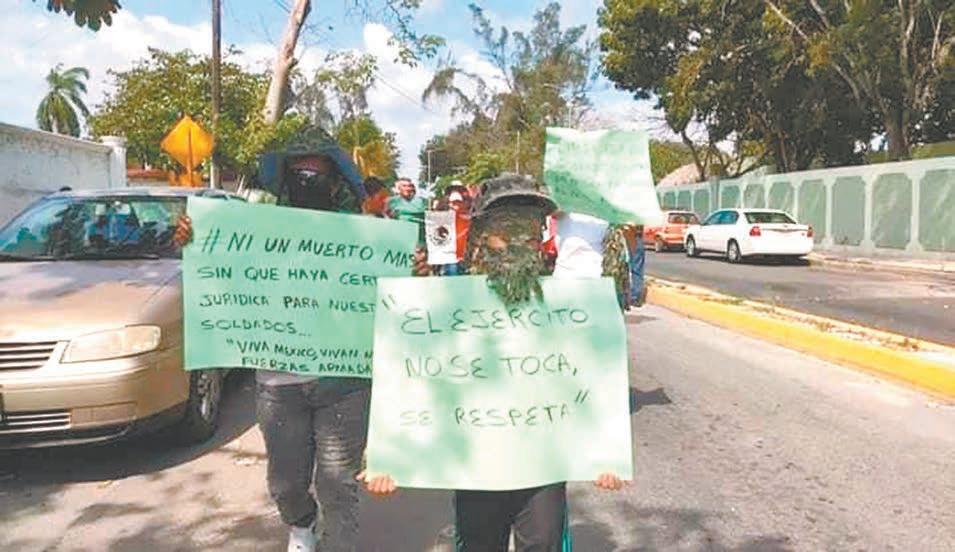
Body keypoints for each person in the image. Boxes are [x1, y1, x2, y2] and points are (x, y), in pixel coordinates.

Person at [363, 174, 627, 551]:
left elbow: (594, 375)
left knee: (545, 543)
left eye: (529, 234)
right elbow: (410, 372)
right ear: (483, 236)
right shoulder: (444, 303)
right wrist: (389, 455)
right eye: (505, 232)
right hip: (477, 466)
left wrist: (606, 454)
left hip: (543, 466)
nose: (517, 243)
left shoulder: (569, 304)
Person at [175, 154, 369, 552]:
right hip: (280, 382)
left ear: (335, 183)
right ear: (285, 180)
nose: (308, 180)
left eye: (317, 174)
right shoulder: (257, 232)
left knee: (338, 484)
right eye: (299, 174)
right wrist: (193, 241)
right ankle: (302, 522)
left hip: (344, 382)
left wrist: (412, 269)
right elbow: (221, 274)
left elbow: (388, 290)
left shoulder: (361, 236)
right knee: (285, 485)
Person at [441, 188, 471, 276]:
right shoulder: (442, 218)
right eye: (450, 202)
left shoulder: (469, 218)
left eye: (456, 202)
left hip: (466, 258)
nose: (452, 205)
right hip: (450, 258)